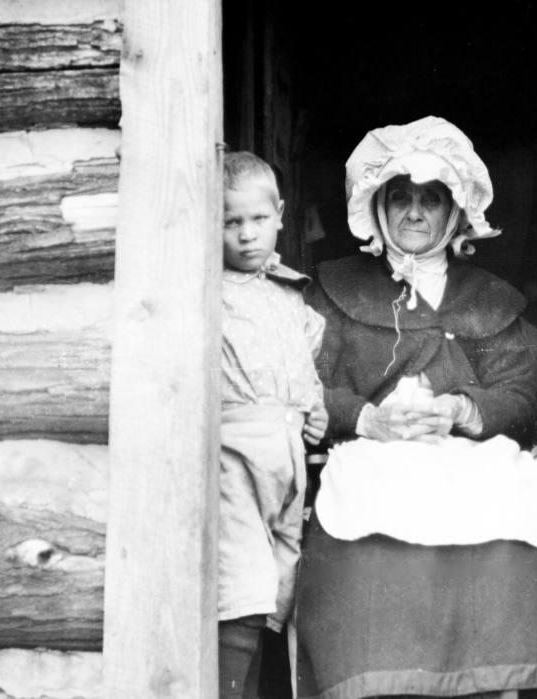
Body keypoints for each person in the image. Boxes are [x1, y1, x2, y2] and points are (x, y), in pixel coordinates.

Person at [295, 117, 537, 699]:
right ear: (377, 208)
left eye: (432, 199)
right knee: (367, 533)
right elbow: (301, 386)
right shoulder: (330, 290)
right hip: (374, 457)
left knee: (520, 506)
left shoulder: (489, 299)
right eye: (400, 198)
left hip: (471, 461)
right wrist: (367, 418)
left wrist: (462, 409)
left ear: (455, 212)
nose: (415, 213)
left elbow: (524, 396)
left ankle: (504, 681)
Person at [217, 151, 328, 699]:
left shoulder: (289, 292)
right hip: (235, 457)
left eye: (257, 219)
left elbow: (304, 372)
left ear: (281, 214)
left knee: (277, 588)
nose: (245, 235)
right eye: (230, 222)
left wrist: (317, 407)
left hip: (287, 461)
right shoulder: (208, 294)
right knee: (240, 589)